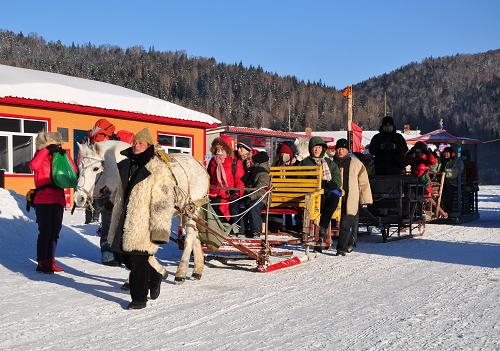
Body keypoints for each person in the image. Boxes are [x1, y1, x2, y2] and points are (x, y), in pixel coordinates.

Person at [107, 128, 171, 309]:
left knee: (138, 261)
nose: (136, 145)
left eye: (140, 143)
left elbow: (163, 201)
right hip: (123, 218)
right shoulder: (126, 164)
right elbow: (121, 190)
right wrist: (111, 202)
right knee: (123, 257)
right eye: (135, 142)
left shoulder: (157, 169)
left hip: (142, 222)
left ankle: (139, 299)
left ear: (149, 146)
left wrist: (160, 229)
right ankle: (155, 275)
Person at [29, 131, 77, 273]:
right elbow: (33, 166)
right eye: (53, 145)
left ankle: (51, 260)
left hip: (57, 199)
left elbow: (73, 173)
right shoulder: (40, 156)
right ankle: (42, 262)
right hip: (42, 200)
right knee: (45, 232)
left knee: (55, 232)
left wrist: (66, 156)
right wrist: (45, 151)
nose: (56, 147)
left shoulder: (60, 158)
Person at [300, 137, 342, 250]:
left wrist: (332, 184)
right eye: (315, 147)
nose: (317, 150)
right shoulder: (305, 163)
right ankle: (320, 232)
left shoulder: (330, 163)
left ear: (323, 149)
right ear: (311, 148)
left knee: (334, 197)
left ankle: (322, 228)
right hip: (312, 195)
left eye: (319, 147)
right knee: (321, 200)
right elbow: (300, 179)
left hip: (327, 193)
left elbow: (338, 180)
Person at [333, 139, 373, 256]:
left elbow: (363, 182)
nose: (340, 151)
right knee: (341, 224)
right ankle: (350, 241)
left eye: (343, 149)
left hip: (351, 197)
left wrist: (364, 199)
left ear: (347, 150)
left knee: (346, 224)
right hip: (335, 198)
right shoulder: (331, 162)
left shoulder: (355, 163)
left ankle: (341, 249)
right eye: (339, 148)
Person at [207, 135, 245, 233]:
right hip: (214, 194)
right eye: (217, 149)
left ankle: (234, 230)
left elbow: (239, 180)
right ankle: (216, 229)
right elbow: (209, 178)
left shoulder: (235, 162)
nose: (218, 151)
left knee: (231, 208)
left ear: (227, 150)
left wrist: (237, 194)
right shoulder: (212, 162)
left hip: (230, 194)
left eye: (221, 149)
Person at [241, 151, 271, 238]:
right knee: (241, 205)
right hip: (254, 197)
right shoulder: (254, 171)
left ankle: (256, 231)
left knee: (253, 206)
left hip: (263, 198)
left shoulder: (263, 174)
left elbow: (262, 191)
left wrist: (250, 196)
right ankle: (242, 230)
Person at [439, 146, 464, 214]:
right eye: (445, 152)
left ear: (451, 153)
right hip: (440, 182)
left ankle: (447, 211)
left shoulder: (456, 161)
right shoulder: (441, 161)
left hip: (452, 183)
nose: (446, 154)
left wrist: (445, 173)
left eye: (447, 152)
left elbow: (455, 172)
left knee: (448, 194)